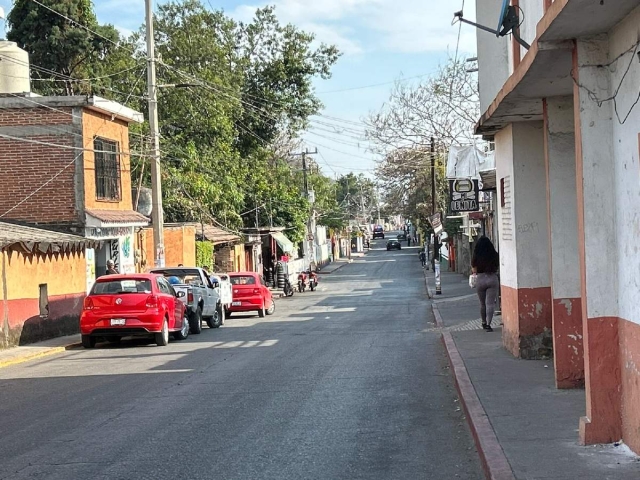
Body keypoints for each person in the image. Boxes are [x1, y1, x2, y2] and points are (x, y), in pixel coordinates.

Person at [471, 236, 500, 332]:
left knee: (482, 304)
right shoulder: (494, 254)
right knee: (490, 303)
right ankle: (488, 324)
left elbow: (474, 269)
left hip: (480, 279)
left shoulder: (476, 256)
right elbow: (498, 266)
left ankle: (483, 322)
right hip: (492, 278)